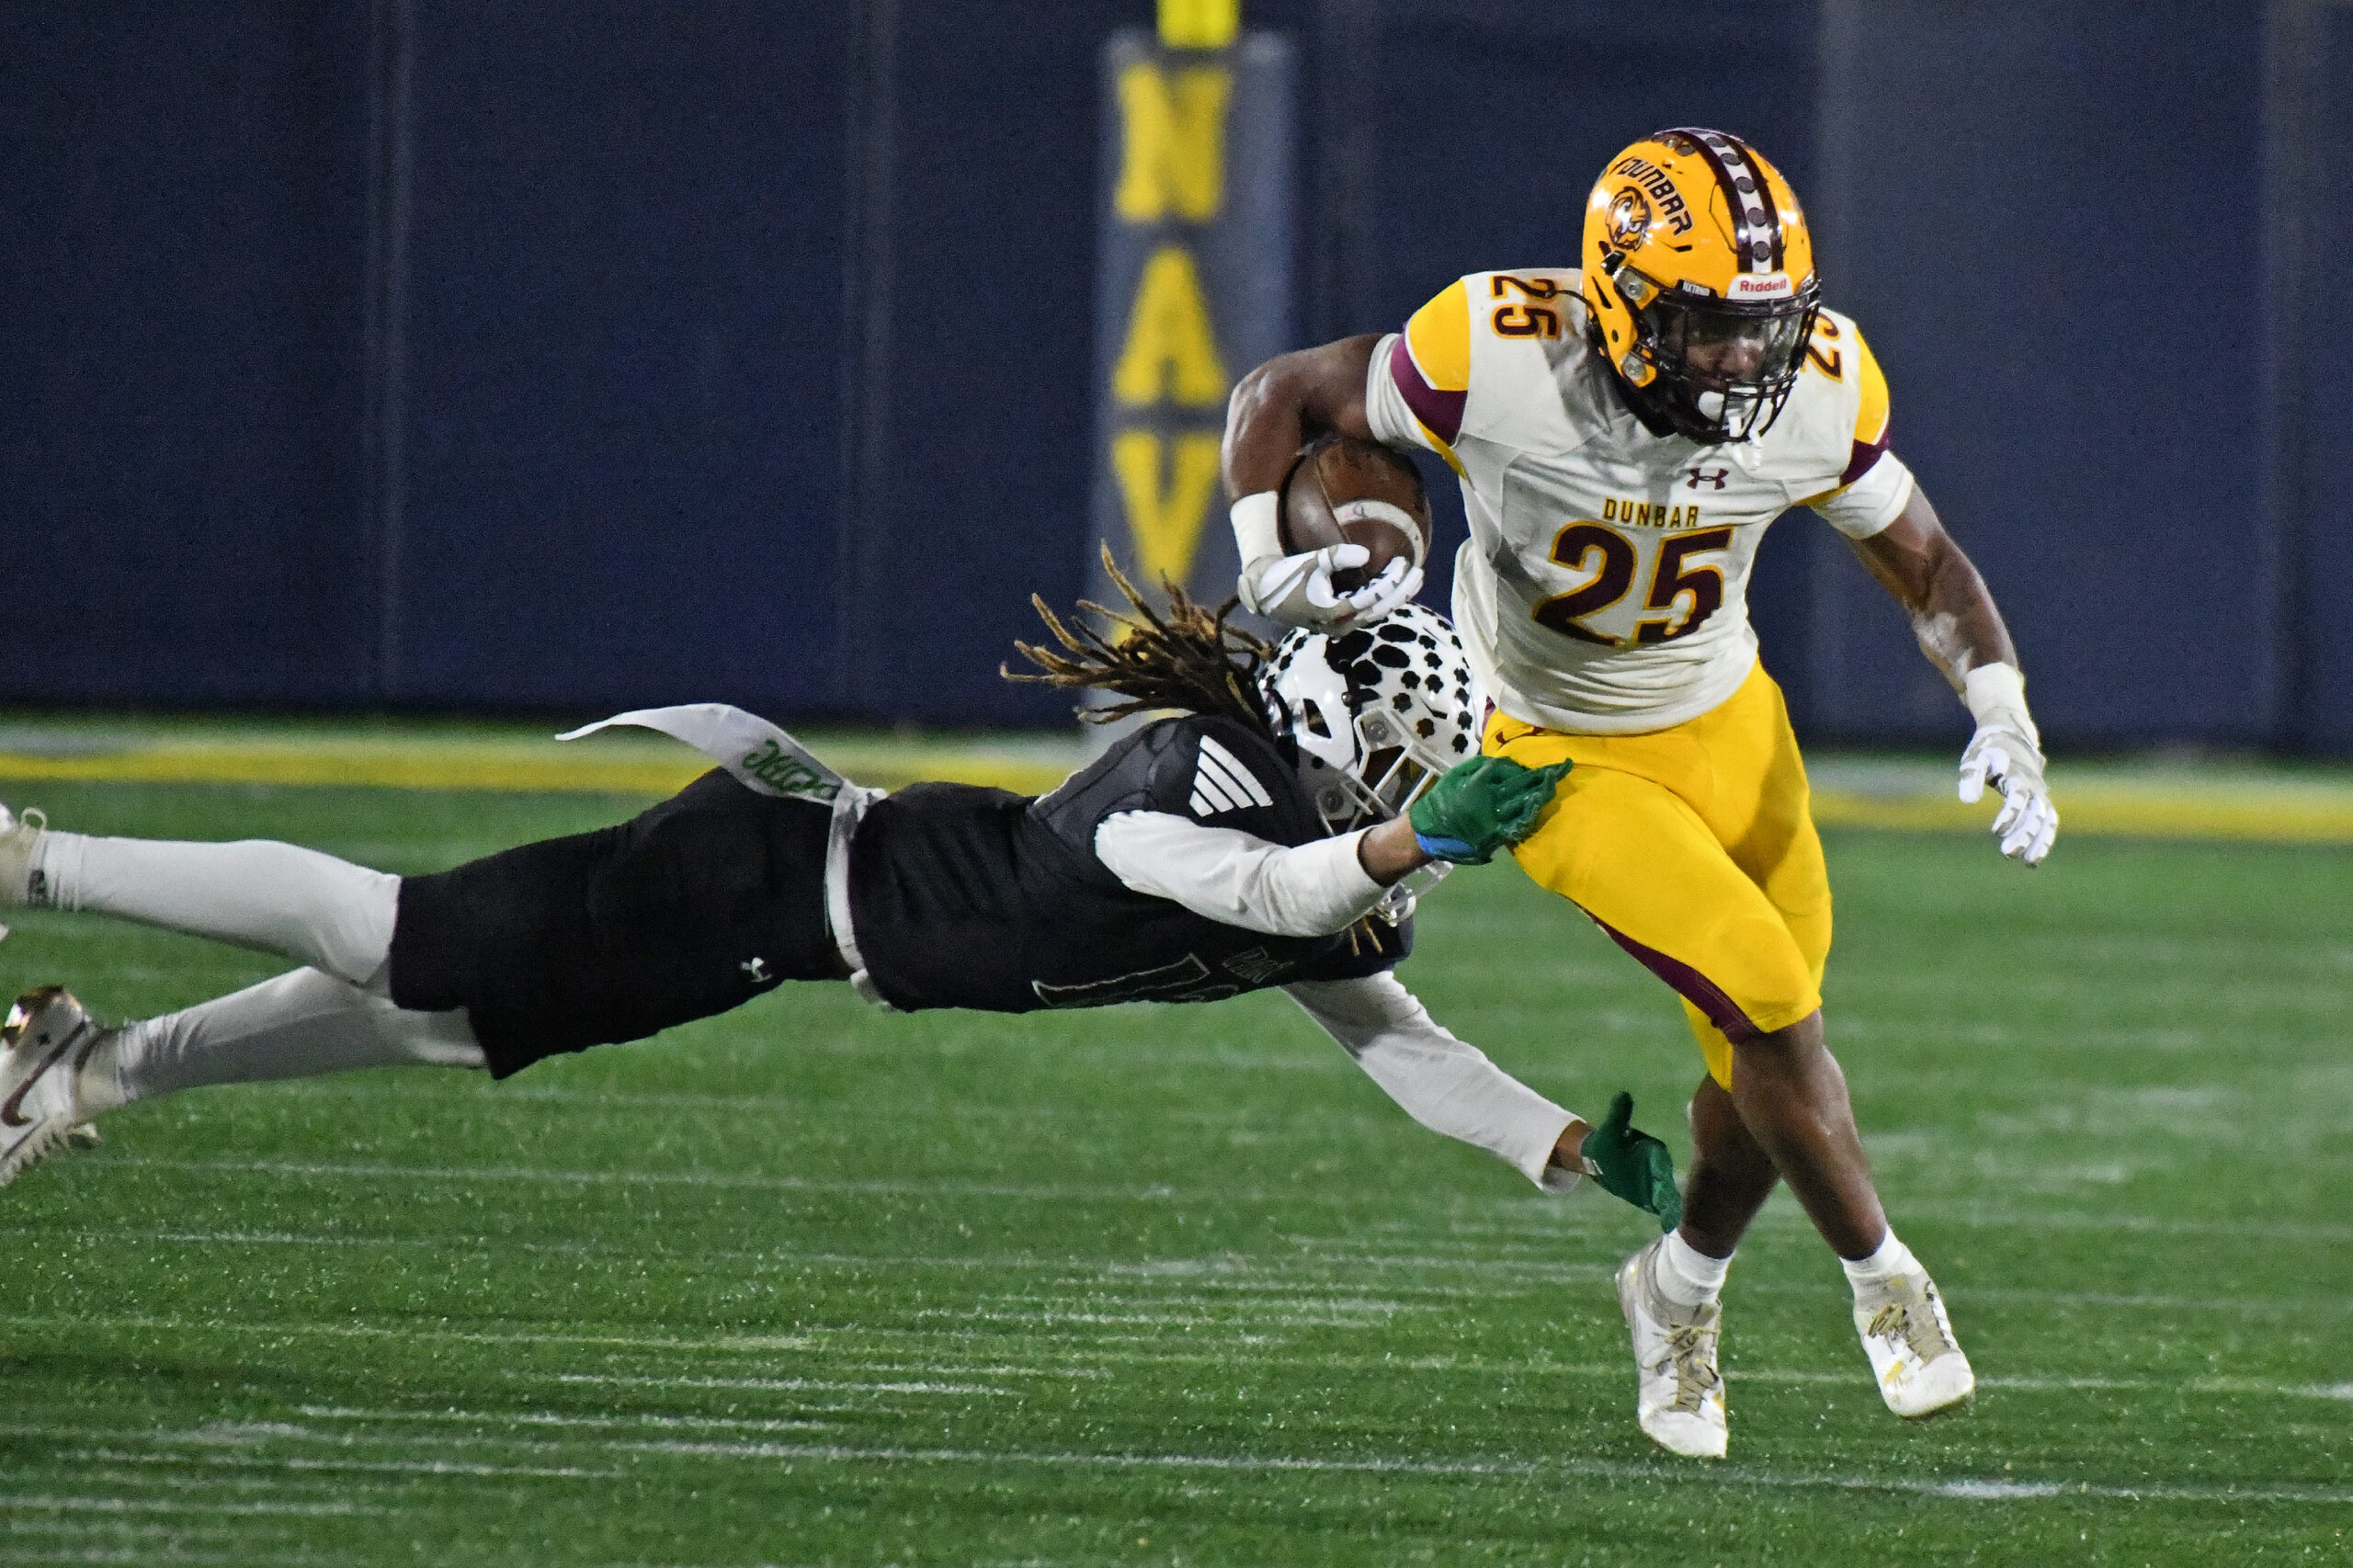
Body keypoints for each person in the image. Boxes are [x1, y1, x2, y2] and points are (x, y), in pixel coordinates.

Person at [0, 566, 1680, 1235]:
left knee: (448, 1021)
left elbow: (1388, 1025)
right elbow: (1267, 880)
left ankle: (83, 1066)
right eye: (1400, 774)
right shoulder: (1200, 776)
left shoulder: (1342, 867)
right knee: (403, 940)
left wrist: (1551, 1139)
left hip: (779, 935)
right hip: (766, 867)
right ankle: (34, 863)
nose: (1408, 802)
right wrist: (1408, 846)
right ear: (1335, 738)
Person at [1219, 127, 2058, 1457]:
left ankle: (1676, 1289)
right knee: (1774, 1010)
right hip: (1558, 751)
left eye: (1763, 326)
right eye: (1711, 326)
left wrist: (2000, 700)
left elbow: (1932, 563)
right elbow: (1282, 396)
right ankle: (1888, 1283)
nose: (1743, 360)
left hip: (1732, 723)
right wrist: (1270, 550)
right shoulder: (1494, 353)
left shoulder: (1815, 384)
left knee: (1758, 1058)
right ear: (1618, 300)